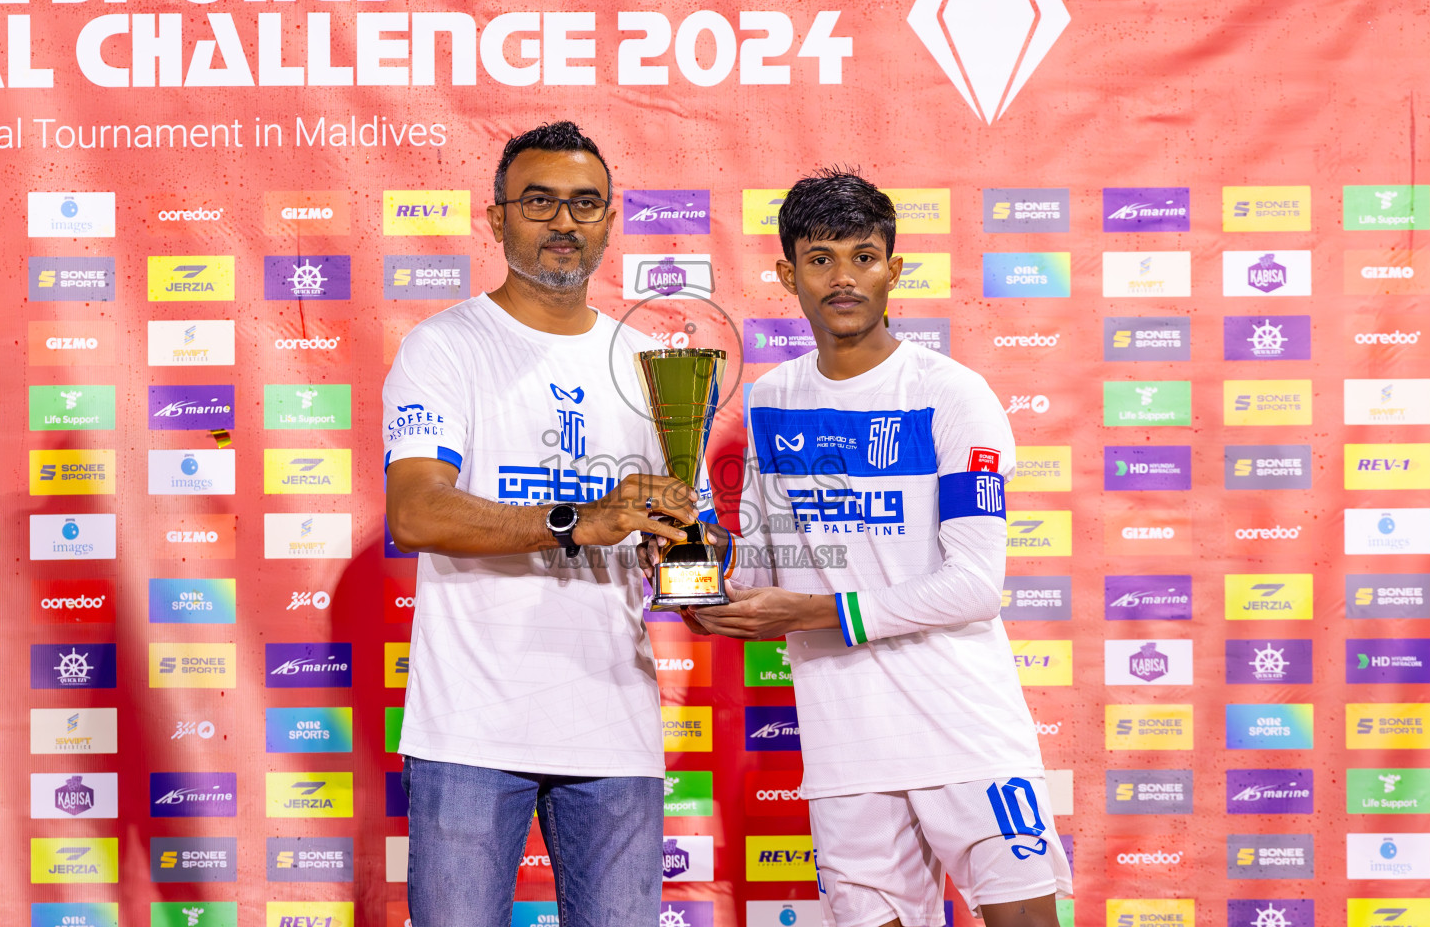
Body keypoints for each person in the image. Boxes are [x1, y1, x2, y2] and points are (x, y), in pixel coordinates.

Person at [645, 169, 1070, 927]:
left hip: (965, 730)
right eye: (821, 259)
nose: (844, 279)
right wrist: (704, 584)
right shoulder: (771, 399)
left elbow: (973, 586)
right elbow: (775, 573)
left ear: (893, 269)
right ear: (788, 274)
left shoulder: (952, 394)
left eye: (864, 257)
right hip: (847, 744)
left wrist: (810, 608)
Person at [384, 121, 701, 926]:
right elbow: (417, 510)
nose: (564, 222)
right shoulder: (445, 346)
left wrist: (692, 551)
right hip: (470, 730)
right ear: (497, 220)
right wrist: (575, 521)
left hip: (613, 727)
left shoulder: (650, 361)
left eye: (585, 205)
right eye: (539, 203)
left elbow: (664, 530)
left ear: (608, 220)